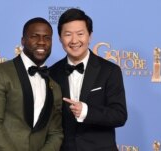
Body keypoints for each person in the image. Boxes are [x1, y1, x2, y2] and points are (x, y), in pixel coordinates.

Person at [0, 17, 63, 151]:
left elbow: (56, 133)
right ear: (23, 41)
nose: (42, 42)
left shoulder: (54, 86)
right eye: (35, 36)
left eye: (47, 37)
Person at [49, 8, 127, 151]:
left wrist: (86, 111)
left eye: (80, 34)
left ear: (90, 36)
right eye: (68, 34)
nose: (74, 40)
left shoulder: (110, 71)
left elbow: (119, 115)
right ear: (60, 38)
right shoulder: (51, 73)